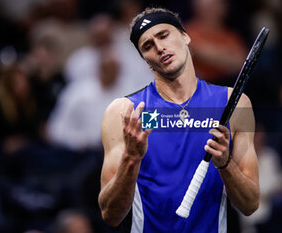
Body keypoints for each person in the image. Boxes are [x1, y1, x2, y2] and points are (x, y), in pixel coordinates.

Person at [98, 8, 259, 232]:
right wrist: (131, 159)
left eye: (164, 35)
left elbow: (250, 204)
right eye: (147, 46)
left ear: (185, 36)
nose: (159, 47)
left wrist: (225, 163)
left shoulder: (234, 103)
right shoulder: (125, 112)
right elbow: (110, 214)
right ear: (146, 61)